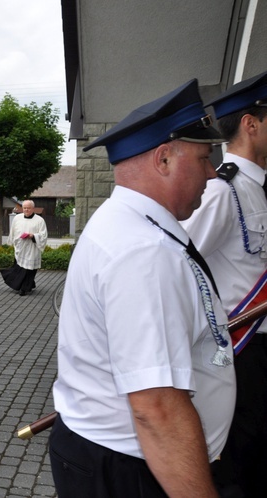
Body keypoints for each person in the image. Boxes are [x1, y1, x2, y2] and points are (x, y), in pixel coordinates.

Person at [50, 79, 236, 497]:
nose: (212, 172)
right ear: (164, 160)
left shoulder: (130, 225)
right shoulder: (142, 250)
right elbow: (156, 410)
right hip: (131, 468)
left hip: (118, 459)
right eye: (205, 158)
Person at [180, 70, 267, 497]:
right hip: (242, 348)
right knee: (239, 462)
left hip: (261, 348)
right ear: (251, 124)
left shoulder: (261, 190)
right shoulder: (223, 190)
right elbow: (180, 263)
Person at [1, 200, 47, 295]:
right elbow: (13, 231)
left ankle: (24, 288)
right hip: (20, 248)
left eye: (28, 208)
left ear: (33, 208)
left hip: (32, 248)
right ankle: (27, 284)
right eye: (24, 208)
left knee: (29, 269)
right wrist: (12, 242)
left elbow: (43, 235)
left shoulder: (39, 220)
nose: (26, 210)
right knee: (20, 269)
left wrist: (33, 236)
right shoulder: (17, 218)